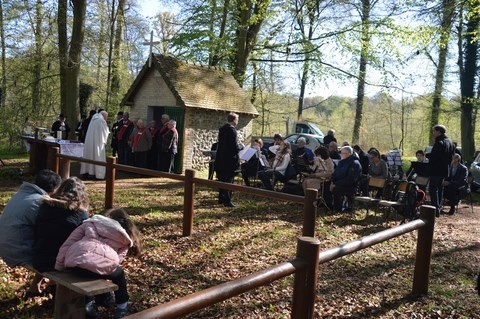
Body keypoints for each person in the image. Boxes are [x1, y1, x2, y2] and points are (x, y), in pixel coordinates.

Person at [55, 208, 143, 319]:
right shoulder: (124, 237)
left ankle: (88, 303)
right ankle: (122, 307)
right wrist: (106, 266)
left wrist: (59, 265)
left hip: (75, 264)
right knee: (119, 274)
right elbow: (118, 260)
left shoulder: (89, 224)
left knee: (88, 269)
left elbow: (68, 243)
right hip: (101, 267)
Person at [0, 169, 61, 298]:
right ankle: (55, 288)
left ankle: (35, 288)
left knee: (46, 246)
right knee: (59, 250)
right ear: (53, 189)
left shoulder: (21, 194)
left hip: (5, 245)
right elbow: (50, 232)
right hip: (18, 251)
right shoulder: (39, 202)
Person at [32, 177, 89, 272]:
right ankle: (55, 286)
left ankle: (42, 285)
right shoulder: (80, 213)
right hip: (61, 262)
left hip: (39, 258)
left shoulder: (45, 206)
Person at [426, 124, 455, 217]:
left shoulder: (440, 142)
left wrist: (427, 155)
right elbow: (451, 156)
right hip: (445, 170)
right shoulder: (450, 142)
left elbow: (435, 156)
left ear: (438, 132)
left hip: (436, 170)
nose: (433, 133)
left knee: (433, 190)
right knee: (439, 189)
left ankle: (435, 209)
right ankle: (438, 208)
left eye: (434, 131)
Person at [215, 113, 244, 207]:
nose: (238, 121)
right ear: (234, 120)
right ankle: (227, 201)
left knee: (221, 180)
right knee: (229, 181)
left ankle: (221, 199)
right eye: (237, 119)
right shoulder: (232, 131)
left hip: (221, 159)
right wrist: (241, 146)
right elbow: (234, 148)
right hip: (229, 161)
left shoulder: (222, 129)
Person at [330, 146, 362, 212]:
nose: (341, 155)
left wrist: (336, 184)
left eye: (343, 153)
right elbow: (335, 174)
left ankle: (337, 209)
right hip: (339, 183)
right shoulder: (341, 162)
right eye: (341, 153)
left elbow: (351, 179)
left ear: (349, 154)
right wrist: (332, 182)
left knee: (337, 189)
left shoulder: (355, 164)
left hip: (351, 186)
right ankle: (328, 206)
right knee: (325, 184)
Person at [81, 111, 110, 180]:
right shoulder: (101, 121)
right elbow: (105, 132)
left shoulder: (93, 120)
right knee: (97, 157)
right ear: (104, 115)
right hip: (98, 143)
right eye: (106, 117)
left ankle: (87, 172)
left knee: (89, 157)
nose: (106, 119)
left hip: (90, 142)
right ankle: (98, 174)